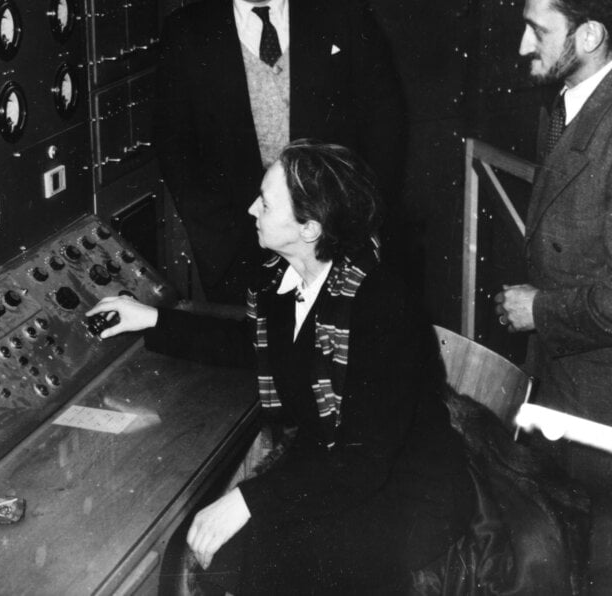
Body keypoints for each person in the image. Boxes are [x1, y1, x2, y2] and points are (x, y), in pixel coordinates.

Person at [89, 140, 470, 593]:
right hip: (331, 462)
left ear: (309, 228)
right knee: (238, 553)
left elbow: (363, 463)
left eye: (266, 204)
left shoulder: (381, 306)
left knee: (267, 557)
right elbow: (256, 343)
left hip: (400, 486)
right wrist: (152, 318)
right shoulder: (281, 276)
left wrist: (248, 501)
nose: (251, 209)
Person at [155, 0, 405, 303]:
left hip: (339, 242)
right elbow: (176, 150)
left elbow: (386, 125)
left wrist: (357, 225)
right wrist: (228, 247)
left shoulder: (343, 13)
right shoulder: (188, 34)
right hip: (240, 250)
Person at [493, 0, 612, 578]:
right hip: (561, 379)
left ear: (589, 35)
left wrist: (540, 308)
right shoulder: (568, 101)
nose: (521, 45)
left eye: (539, 30)